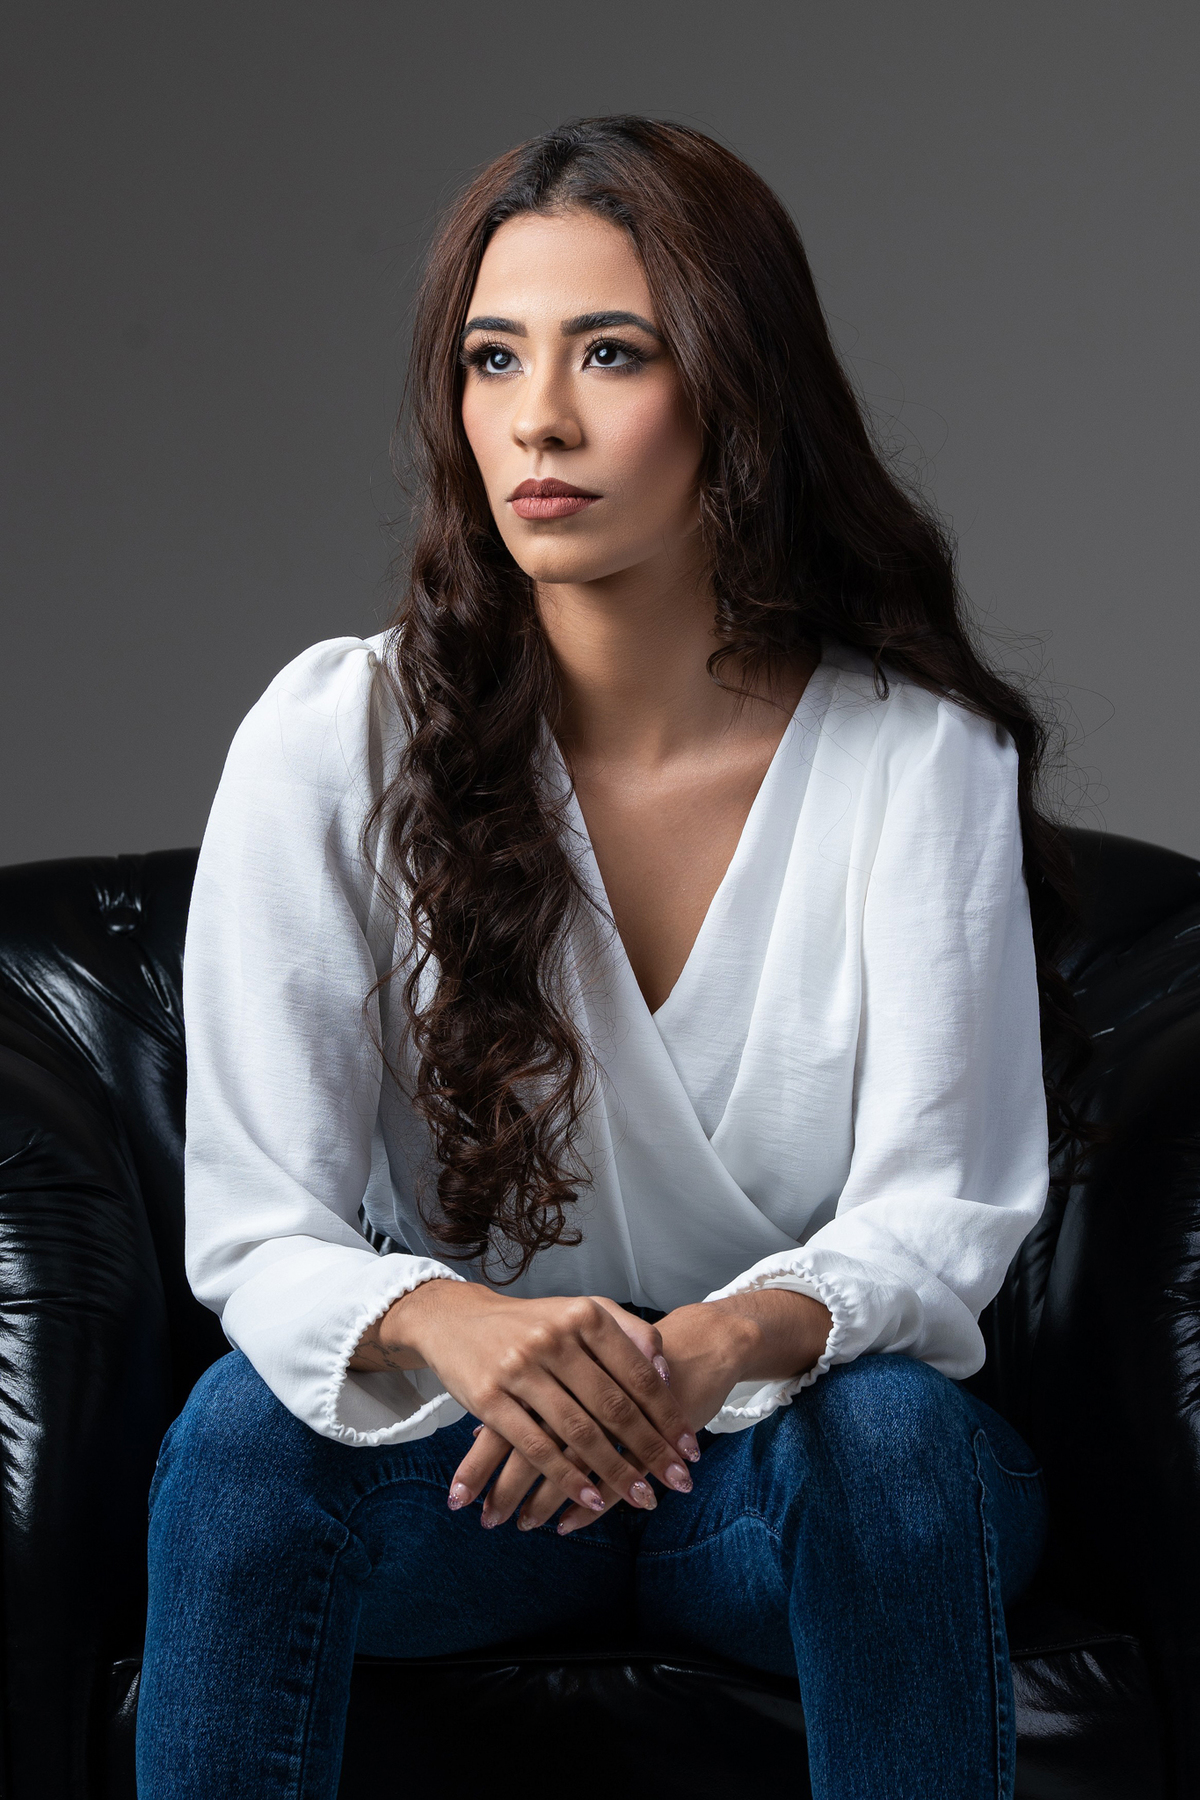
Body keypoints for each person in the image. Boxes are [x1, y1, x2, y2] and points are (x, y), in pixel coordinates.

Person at [137, 116, 1072, 1799]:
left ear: (737, 392)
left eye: (612, 353)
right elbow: (259, 1226)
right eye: (494, 358)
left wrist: (716, 1345)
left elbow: (943, 1208)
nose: (539, 420)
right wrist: (449, 1326)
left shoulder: (915, 756)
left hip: (775, 1473)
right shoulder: (332, 737)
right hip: (467, 1477)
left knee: (893, 1431)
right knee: (243, 1432)